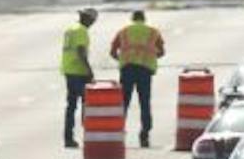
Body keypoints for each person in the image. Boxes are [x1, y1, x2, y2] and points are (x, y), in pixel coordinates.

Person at [109, 9, 167, 147]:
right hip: (145, 70)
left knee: (123, 103)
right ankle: (144, 135)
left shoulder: (123, 31)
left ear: (132, 18)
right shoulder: (153, 32)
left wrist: (121, 59)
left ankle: (119, 132)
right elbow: (162, 51)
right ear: (144, 18)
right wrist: (151, 57)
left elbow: (112, 51)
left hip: (127, 69)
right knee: (144, 103)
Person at [60, 8, 97, 148]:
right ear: (88, 19)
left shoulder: (71, 29)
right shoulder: (81, 30)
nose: (92, 24)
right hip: (78, 71)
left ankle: (68, 137)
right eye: (92, 21)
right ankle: (89, 133)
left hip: (69, 70)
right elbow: (81, 52)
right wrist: (89, 71)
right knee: (88, 103)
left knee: (71, 106)